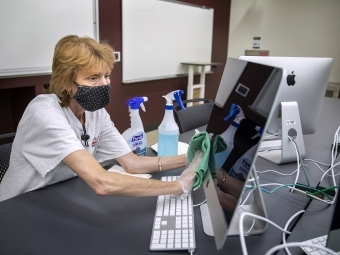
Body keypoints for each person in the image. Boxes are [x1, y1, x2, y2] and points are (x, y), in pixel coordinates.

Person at [0, 35, 202, 202]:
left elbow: (132, 163)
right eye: (93, 78)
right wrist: (177, 186)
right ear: (65, 82)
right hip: (17, 205)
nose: (104, 84)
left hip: (59, 197)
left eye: (107, 76)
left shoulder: (95, 113)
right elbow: (101, 182)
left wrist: (191, 159)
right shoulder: (44, 113)